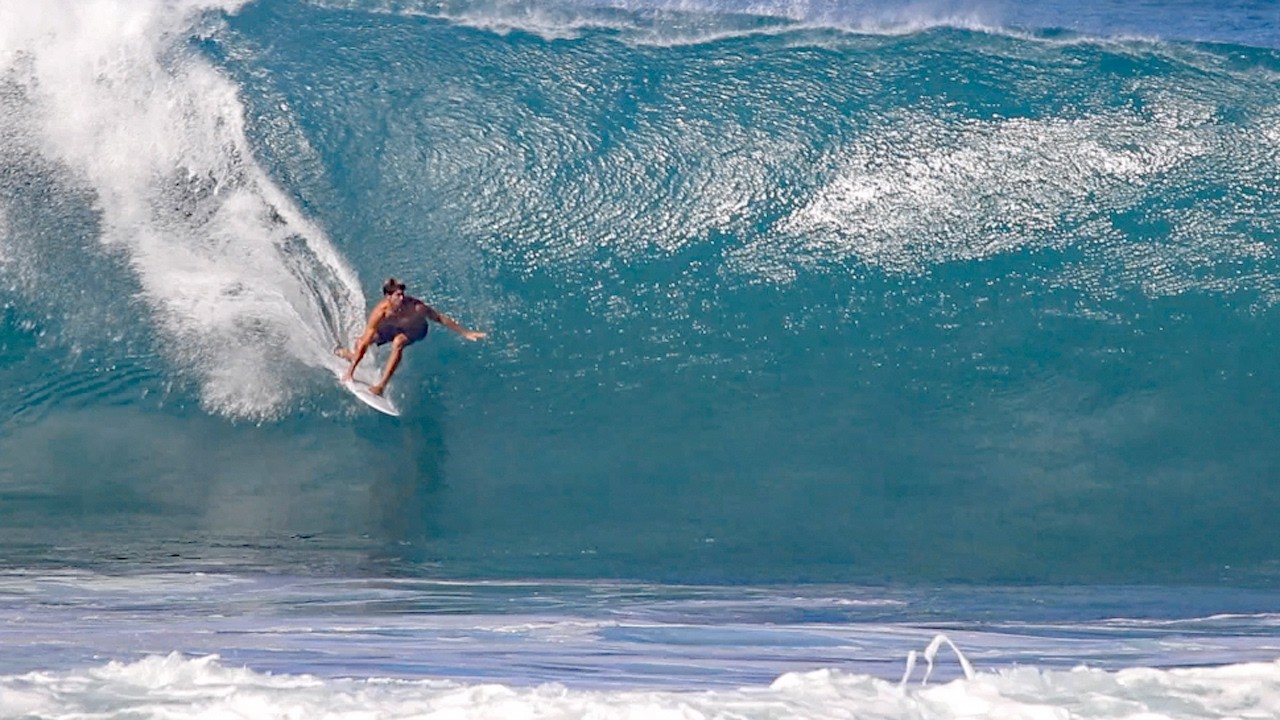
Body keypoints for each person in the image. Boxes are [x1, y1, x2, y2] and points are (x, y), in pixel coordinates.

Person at [337, 277, 486, 395]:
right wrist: (350, 373)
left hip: (414, 331)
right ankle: (352, 357)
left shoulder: (416, 307)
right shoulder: (380, 313)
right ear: (388, 296)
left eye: (403, 294)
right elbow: (366, 340)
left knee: (398, 342)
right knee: (362, 342)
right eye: (397, 295)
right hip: (390, 329)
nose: (401, 298)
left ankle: (381, 386)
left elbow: (440, 318)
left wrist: (465, 332)